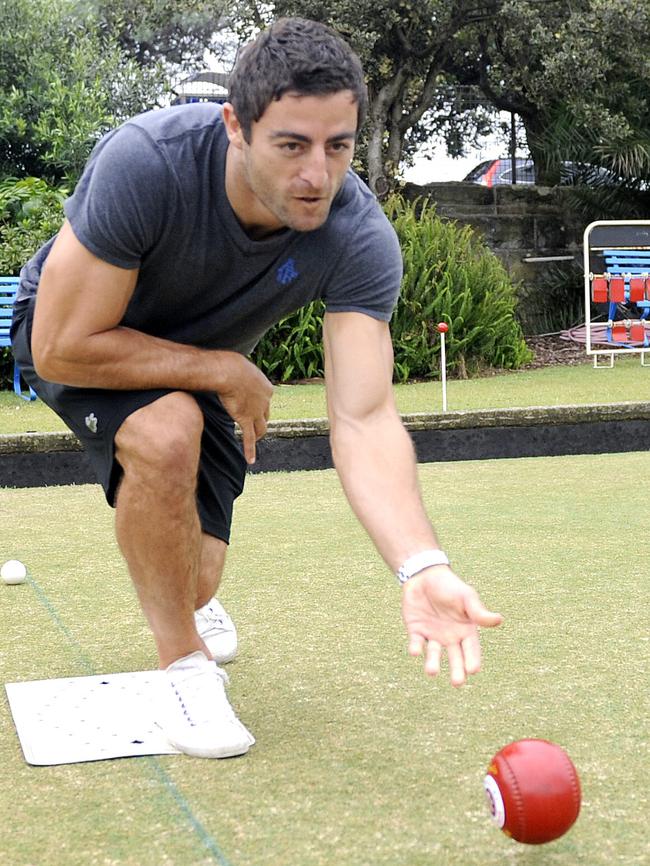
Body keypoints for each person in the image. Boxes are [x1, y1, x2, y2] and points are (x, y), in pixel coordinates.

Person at [11, 18, 502, 759]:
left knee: (194, 582)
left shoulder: (356, 235)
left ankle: (190, 613)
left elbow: (364, 418)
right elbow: (59, 345)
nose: (317, 175)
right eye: (292, 145)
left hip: (197, 367)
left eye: (337, 146)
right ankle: (182, 670)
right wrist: (221, 370)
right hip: (82, 337)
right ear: (236, 126)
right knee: (166, 428)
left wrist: (421, 563)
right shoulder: (148, 162)